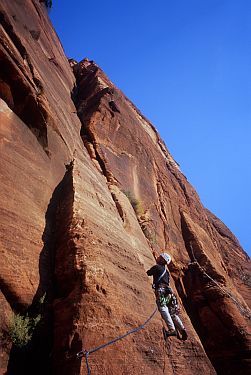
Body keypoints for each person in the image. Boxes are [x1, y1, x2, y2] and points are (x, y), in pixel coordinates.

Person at [147, 252, 188, 340]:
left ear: (162, 260)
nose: (157, 257)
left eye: (159, 257)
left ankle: (172, 329)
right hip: (170, 293)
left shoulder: (157, 267)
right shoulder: (167, 273)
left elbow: (148, 273)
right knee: (172, 313)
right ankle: (182, 329)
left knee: (163, 308)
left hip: (161, 291)